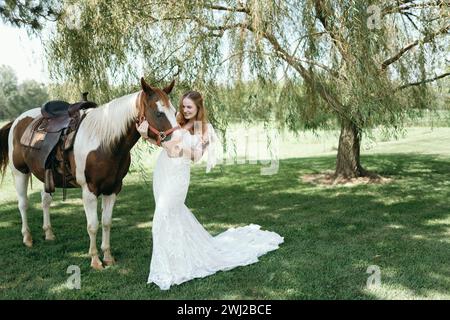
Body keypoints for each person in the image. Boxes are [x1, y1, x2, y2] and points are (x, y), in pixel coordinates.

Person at [146, 90, 284, 290]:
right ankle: (175, 260)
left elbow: (196, 156)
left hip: (178, 177)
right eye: (183, 106)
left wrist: (179, 149)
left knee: (162, 215)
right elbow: (163, 143)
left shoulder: (204, 129)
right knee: (172, 215)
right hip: (163, 171)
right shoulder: (176, 122)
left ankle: (164, 268)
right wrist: (145, 135)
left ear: (198, 108)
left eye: (189, 107)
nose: (185, 110)